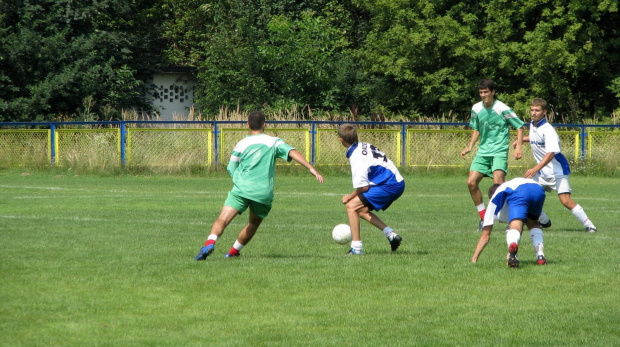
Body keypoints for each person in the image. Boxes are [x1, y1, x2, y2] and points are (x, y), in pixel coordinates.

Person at [195, 111, 324, 260]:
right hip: (263, 192)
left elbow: (232, 167)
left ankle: (210, 242)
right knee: (253, 224)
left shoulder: (241, 144)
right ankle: (232, 252)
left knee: (222, 219)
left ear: (247, 125)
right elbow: (292, 152)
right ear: (265, 124)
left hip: (241, 189)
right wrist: (310, 168)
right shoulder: (274, 142)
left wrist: (239, 181)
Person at [515, 98, 597, 232]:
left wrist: (535, 169)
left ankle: (589, 225)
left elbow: (551, 153)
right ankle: (544, 221)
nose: (534, 113)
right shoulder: (532, 125)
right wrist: (523, 140)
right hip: (542, 173)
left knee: (565, 201)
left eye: (537, 110)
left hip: (557, 171)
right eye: (532, 110)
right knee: (526, 194)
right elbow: (535, 138)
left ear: (544, 112)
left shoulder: (548, 130)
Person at [461, 79, 525, 231]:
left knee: (499, 187)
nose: (483, 95)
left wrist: (519, 147)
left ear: (493, 92)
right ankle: (484, 218)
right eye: (481, 92)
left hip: (499, 152)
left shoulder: (502, 108)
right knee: (471, 183)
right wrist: (470, 146)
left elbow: (520, 126)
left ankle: (513, 218)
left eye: (486, 92)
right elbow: (476, 128)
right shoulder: (476, 108)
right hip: (483, 152)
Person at [338, 123, 405, 255]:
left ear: (341, 140)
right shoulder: (364, 145)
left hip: (389, 184)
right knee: (361, 209)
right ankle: (391, 235)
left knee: (351, 206)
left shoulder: (357, 156)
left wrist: (348, 197)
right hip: (395, 181)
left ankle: (357, 249)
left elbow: (363, 187)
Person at [471, 177, 547, 267]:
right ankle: (540, 255)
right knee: (533, 223)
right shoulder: (507, 187)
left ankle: (512, 252)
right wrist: (547, 222)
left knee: (515, 226)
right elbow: (543, 216)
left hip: (519, 192)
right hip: (538, 188)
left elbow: (485, 236)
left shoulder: (494, 201)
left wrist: (474, 258)